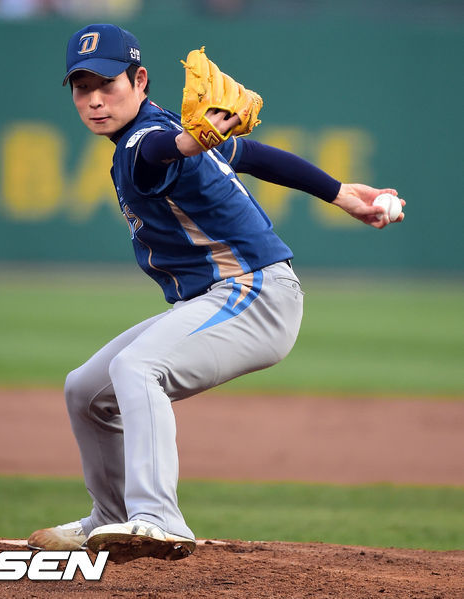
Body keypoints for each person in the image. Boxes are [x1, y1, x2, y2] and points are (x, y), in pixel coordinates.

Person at [27, 23, 404, 563]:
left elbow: (163, 149)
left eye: (107, 84)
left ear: (140, 80)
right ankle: (110, 517)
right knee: (85, 390)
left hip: (256, 295)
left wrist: (191, 140)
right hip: (223, 298)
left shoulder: (146, 140)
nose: (94, 100)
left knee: (138, 368)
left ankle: (159, 517)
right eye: (82, 88)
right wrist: (341, 193)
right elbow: (253, 154)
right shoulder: (161, 130)